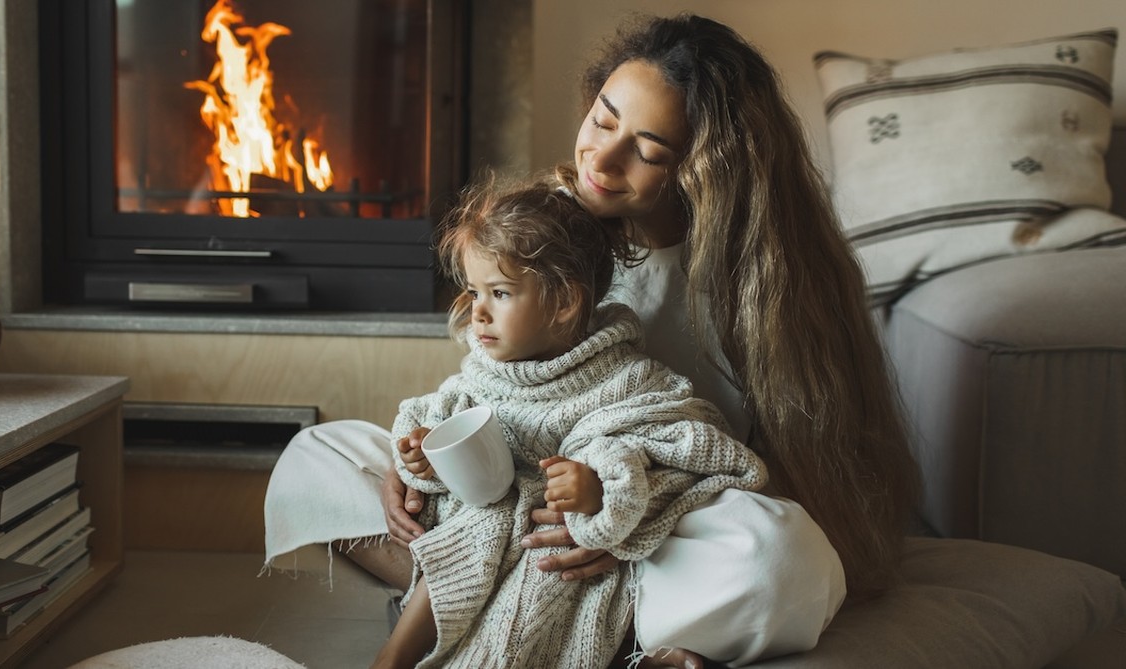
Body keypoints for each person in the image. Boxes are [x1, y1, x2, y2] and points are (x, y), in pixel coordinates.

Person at [265, 12, 919, 667]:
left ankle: (513, 593)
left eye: (649, 149)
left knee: (782, 555)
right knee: (315, 454)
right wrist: (410, 472)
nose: (603, 159)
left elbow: (759, 472)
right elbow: (499, 387)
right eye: (604, 120)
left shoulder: (764, 282)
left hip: (656, 522)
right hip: (520, 495)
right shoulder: (555, 225)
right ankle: (495, 577)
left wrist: (623, 515)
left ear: (701, 168)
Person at [370, 177, 768, 668]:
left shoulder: (626, 379)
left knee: (535, 584)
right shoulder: (484, 371)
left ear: (563, 303)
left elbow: (695, 443)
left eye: (500, 292)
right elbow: (442, 415)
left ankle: (636, 655)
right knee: (327, 457)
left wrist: (602, 491)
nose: (478, 312)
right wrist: (419, 457)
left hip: (565, 553)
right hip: (482, 533)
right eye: (473, 292)